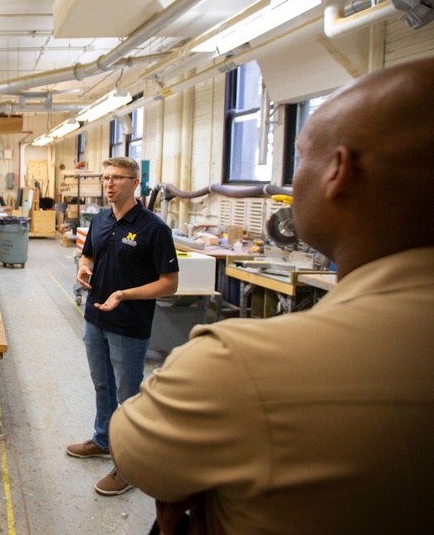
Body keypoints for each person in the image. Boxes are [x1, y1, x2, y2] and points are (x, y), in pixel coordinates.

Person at [109, 58, 434, 535]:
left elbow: (138, 451)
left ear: (338, 173)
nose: (289, 182)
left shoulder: (239, 364)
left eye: (301, 158)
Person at [66, 156, 179, 496]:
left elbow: (169, 283)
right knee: (102, 385)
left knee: (128, 395)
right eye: (105, 178)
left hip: (129, 325)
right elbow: (88, 256)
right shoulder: (100, 220)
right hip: (95, 318)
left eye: (116, 177)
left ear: (134, 182)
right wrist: (84, 269)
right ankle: (103, 440)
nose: (109, 184)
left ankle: (130, 465)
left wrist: (125, 294)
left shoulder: (153, 228)